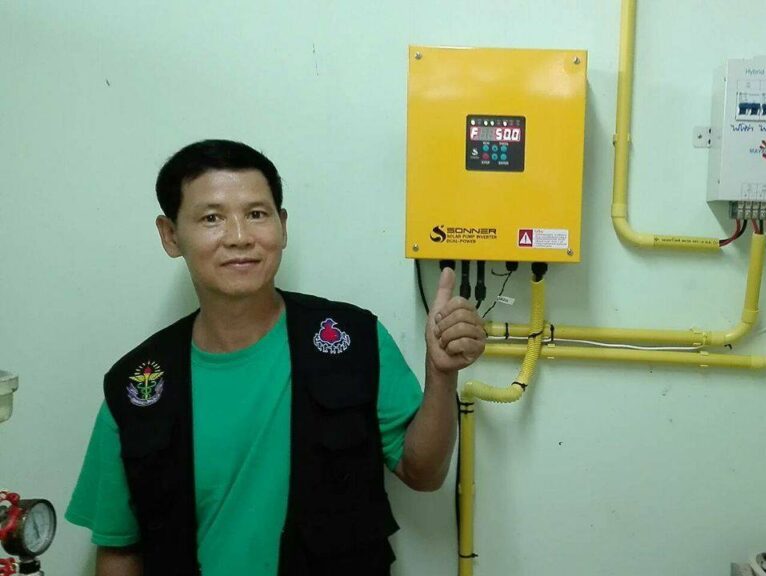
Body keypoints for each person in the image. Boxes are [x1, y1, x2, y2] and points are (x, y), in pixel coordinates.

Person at [65, 139, 486, 576]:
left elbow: (423, 474)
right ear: (171, 235)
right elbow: (119, 549)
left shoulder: (352, 340)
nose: (239, 237)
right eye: (211, 218)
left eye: (256, 214)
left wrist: (441, 376)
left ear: (282, 227)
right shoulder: (137, 387)